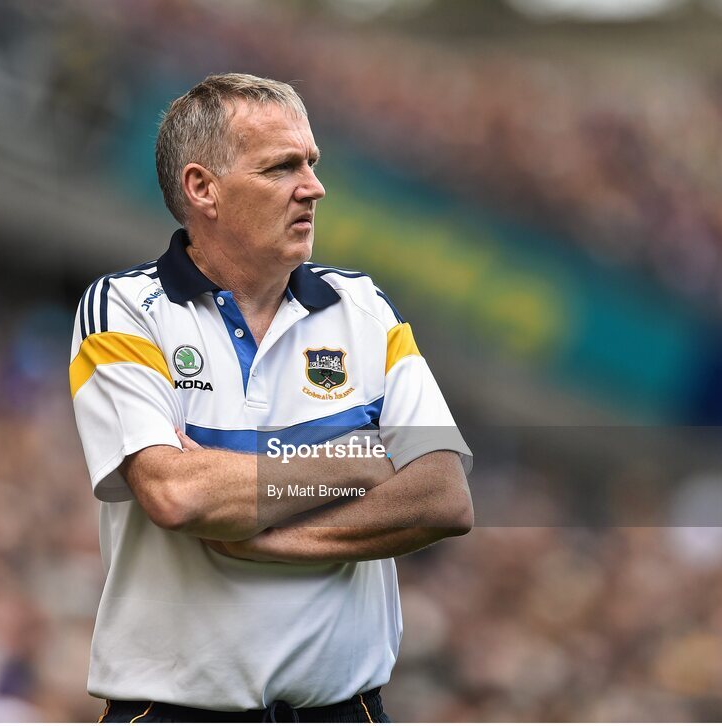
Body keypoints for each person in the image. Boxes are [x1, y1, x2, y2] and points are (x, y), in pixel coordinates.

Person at [69, 73, 473, 723]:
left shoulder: (362, 306)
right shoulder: (125, 309)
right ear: (203, 189)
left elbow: (443, 495)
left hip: (345, 711)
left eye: (311, 163)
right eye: (281, 167)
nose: (313, 187)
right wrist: (356, 462)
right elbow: (178, 495)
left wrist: (265, 537)